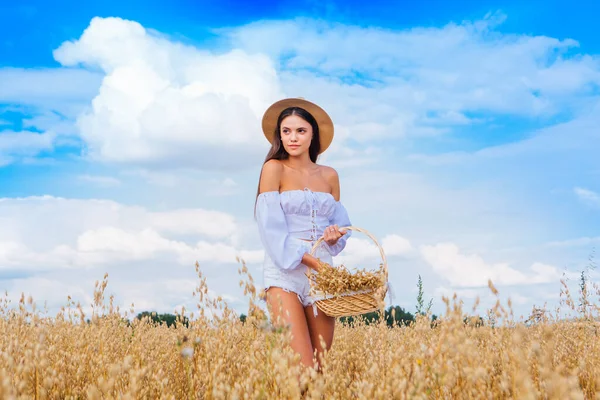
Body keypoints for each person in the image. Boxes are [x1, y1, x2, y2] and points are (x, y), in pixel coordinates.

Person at [254, 97, 352, 372]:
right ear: (279, 136)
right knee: (303, 368)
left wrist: (334, 237)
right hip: (284, 270)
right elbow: (270, 229)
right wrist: (312, 262)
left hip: (323, 274)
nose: (292, 138)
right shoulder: (274, 168)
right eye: (286, 131)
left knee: (319, 368)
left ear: (313, 135)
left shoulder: (330, 175)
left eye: (300, 131)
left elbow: (339, 226)